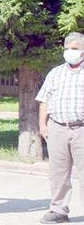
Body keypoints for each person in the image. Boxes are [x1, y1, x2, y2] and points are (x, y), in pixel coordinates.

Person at [37, 32, 84, 224]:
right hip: (57, 128)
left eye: (74, 49)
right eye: (66, 49)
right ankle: (58, 210)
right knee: (58, 172)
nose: (69, 52)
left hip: (81, 129)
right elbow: (44, 100)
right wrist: (42, 124)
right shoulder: (55, 73)